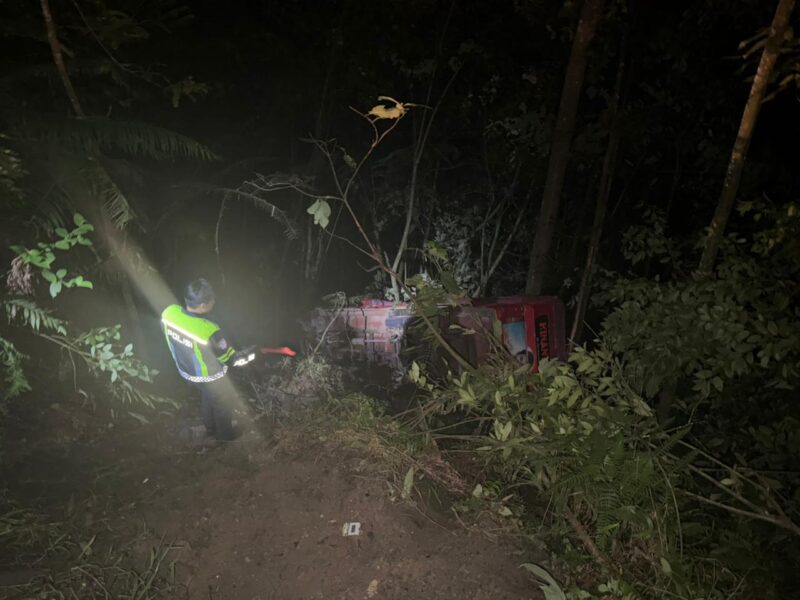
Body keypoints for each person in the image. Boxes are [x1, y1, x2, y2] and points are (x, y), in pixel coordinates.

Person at [161, 278, 242, 441]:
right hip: (210, 375)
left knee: (207, 396)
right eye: (212, 301)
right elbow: (227, 357)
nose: (214, 303)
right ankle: (225, 438)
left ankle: (210, 429)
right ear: (204, 305)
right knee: (221, 403)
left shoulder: (169, 313)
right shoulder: (209, 329)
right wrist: (239, 358)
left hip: (187, 371)